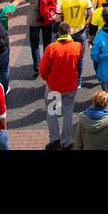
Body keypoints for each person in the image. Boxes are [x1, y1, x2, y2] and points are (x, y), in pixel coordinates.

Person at [39, 22, 83, 150]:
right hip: (70, 86)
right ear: (70, 32)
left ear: (58, 33)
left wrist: (48, 79)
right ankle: (67, 140)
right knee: (68, 112)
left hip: (54, 87)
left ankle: (55, 141)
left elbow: (42, 68)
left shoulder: (51, 48)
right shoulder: (77, 46)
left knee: (52, 112)